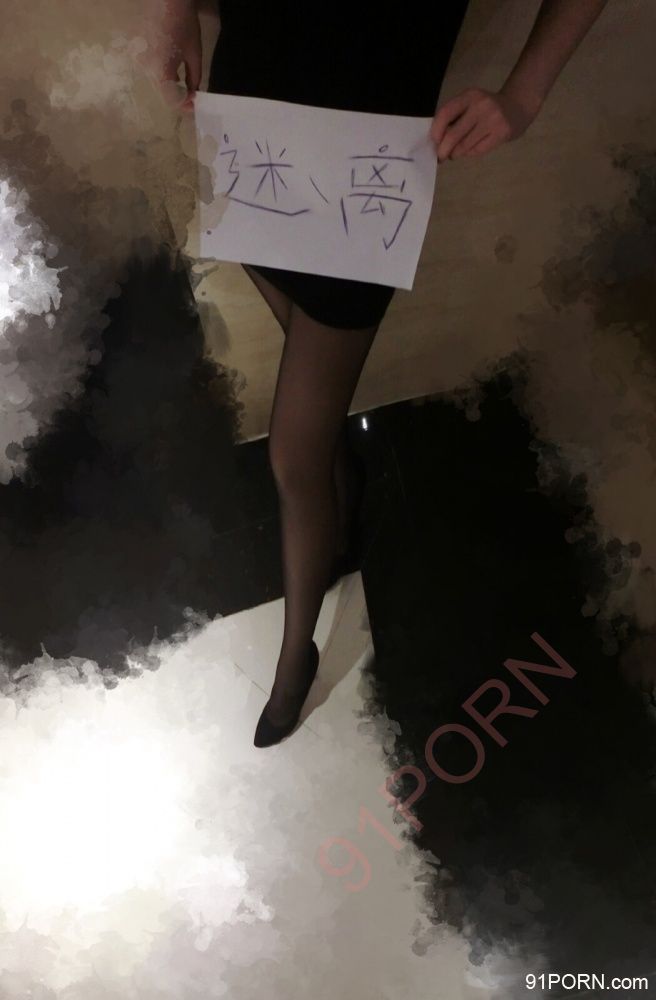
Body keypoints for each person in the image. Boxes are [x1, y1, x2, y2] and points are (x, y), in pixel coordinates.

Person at [150, 0, 609, 747]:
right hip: (251, 117)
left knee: (292, 454)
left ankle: (296, 657)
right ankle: (338, 470)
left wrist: (525, 94)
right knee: (297, 351)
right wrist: (173, 9)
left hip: (366, 171)